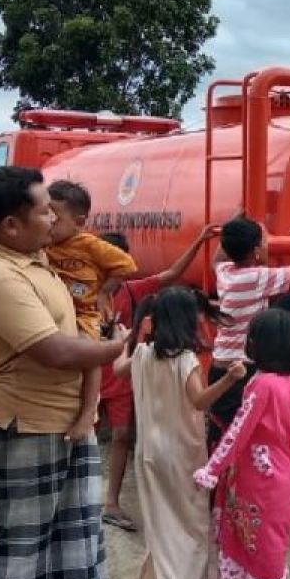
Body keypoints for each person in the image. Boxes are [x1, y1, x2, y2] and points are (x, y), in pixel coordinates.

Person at [0, 165, 127, 579]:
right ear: (11, 225)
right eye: (44, 212)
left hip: (63, 427)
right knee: (23, 550)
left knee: (68, 546)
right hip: (29, 429)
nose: (53, 221)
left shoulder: (33, 255)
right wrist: (115, 348)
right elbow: (55, 351)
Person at [113, 287, 246, 579]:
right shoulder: (184, 359)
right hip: (181, 454)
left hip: (148, 454)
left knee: (161, 526)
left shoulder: (142, 352)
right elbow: (200, 401)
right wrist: (230, 379)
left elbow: (116, 370)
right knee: (188, 529)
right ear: (185, 318)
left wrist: (125, 339)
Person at [96, 224, 218, 532]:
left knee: (122, 436)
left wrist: (199, 240)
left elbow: (172, 273)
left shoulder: (132, 290)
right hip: (90, 371)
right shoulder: (81, 293)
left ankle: (111, 502)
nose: (121, 269)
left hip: (120, 373)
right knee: (80, 435)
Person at [195, 309, 290, 579]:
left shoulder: (262, 384)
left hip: (263, 478)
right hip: (269, 474)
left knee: (262, 544)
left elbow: (239, 429)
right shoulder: (284, 381)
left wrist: (212, 469)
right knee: (247, 538)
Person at [45, 179, 138, 444]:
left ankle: (88, 414)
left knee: (89, 355)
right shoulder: (46, 244)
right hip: (55, 309)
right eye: (46, 214)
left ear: (79, 221)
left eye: (56, 216)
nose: (50, 221)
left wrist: (103, 291)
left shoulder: (89, 244)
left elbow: (126, 265)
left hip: (83, 312)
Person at [208, 217, 290, 449]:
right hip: (243, 368)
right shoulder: (257, 277)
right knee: (247, 436)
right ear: (256, 250)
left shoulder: (224, 272)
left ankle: (217, 480)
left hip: (219, 365)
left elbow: (216, 260)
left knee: (222, 432)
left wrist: (231, 223)